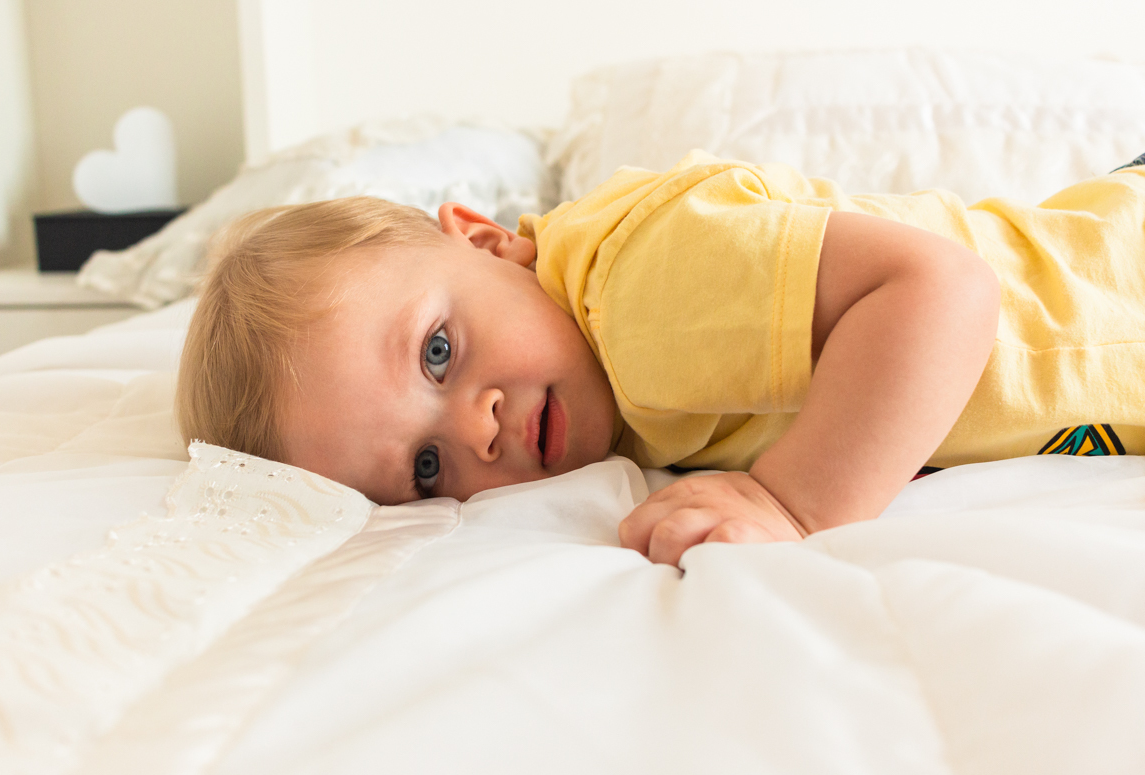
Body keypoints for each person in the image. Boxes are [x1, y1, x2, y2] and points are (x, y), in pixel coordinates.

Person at [177, 150, 1145, 566]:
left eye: (438, 352)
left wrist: (791, 499)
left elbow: (947, 291)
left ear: (483, 240)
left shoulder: (643, 294)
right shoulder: (596, 352)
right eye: (425, 466)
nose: (475, 427)